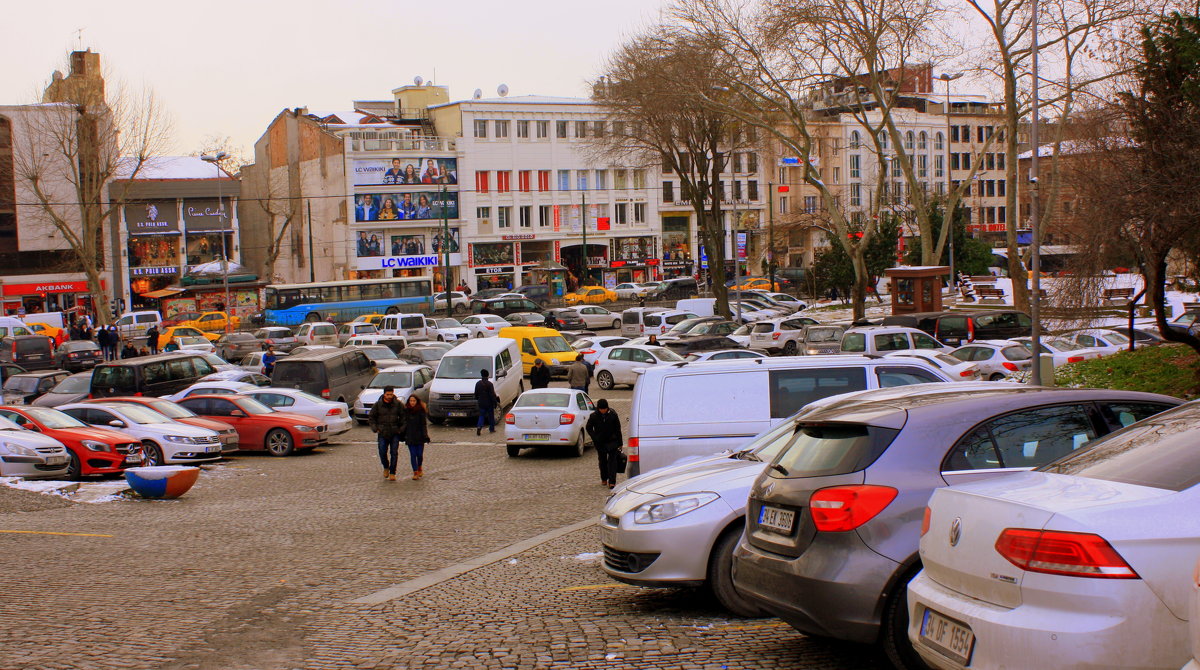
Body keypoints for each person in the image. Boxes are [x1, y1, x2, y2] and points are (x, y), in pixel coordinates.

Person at [368, 385, 406, 481]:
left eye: (391, 394)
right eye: (388, 394)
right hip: (382, 432)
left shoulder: (398, 404)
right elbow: (371, 417)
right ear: (384, 394)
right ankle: (386, 467)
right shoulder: (378, 405)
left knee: (394, 453)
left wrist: (400, 429)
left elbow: (404, 417)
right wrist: (375, 428)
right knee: (382, 451)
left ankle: (393, 472)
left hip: (395, 432)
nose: (389, 396)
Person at [586, 398, 624, 489]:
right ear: (598, 408)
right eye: (601, 409)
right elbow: (589, 428)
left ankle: (612, 481)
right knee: (602, 461)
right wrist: (595, 438)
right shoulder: (593, 416)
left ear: (607, 408)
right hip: (600, 443)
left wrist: (620, 443)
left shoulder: (613, 415)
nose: (603, 411)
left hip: (612, 442)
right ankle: (604, 478)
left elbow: (618, 429)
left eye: (605, 409)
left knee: (612, 462)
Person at [403, 396, 430, 480]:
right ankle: (415, 472)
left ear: (417, 401)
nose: (412, 402)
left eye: (414, 401)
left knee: (419, 455)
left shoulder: (421, 411)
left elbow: (423, 425)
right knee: (413, 454)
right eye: (411, 401)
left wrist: (425, 435)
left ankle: (419, 467)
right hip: (410, 436)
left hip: (419, 436)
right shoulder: (406, 411)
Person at [474, 369, 500, 435]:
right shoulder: (490, 384)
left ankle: (479, 426)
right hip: (489, 403)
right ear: (487, 376)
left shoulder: (478, 383)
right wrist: (495, 402)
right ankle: (491, 429)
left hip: (481, 402)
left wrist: (478, 399)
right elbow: (492, 395)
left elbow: (476, 393)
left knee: (481, 415)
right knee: (491, 416)